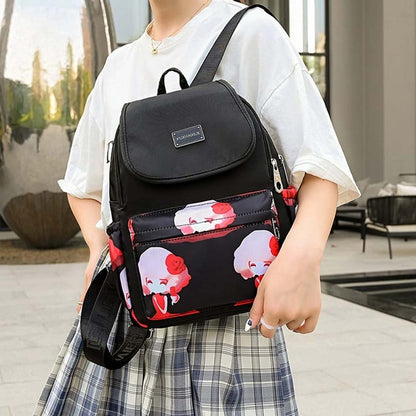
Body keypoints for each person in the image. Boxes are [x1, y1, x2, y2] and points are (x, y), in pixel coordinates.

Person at [34, 0, 360, 415]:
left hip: (224, 327)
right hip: (128, 317)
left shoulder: (251, 33)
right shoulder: (118, 66)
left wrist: (301, 260)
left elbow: (319, 166)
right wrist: (100, 250)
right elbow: (82, 185)